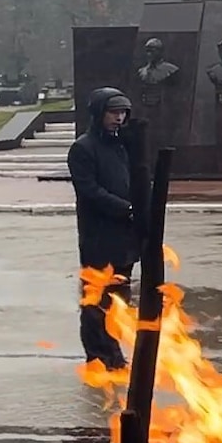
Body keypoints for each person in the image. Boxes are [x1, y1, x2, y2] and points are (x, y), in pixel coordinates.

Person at [67, 89, 134, 370]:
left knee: (118, 297)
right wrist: (125, 207)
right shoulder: (83, 148)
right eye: (113, 112)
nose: (119, 118)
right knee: (96, 298)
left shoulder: (122, 145)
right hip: (98, 235)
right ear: (98, 113)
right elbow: (90, 191)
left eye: (123, 113)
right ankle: (98, 356)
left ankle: (113, 352)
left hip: (124, 235)